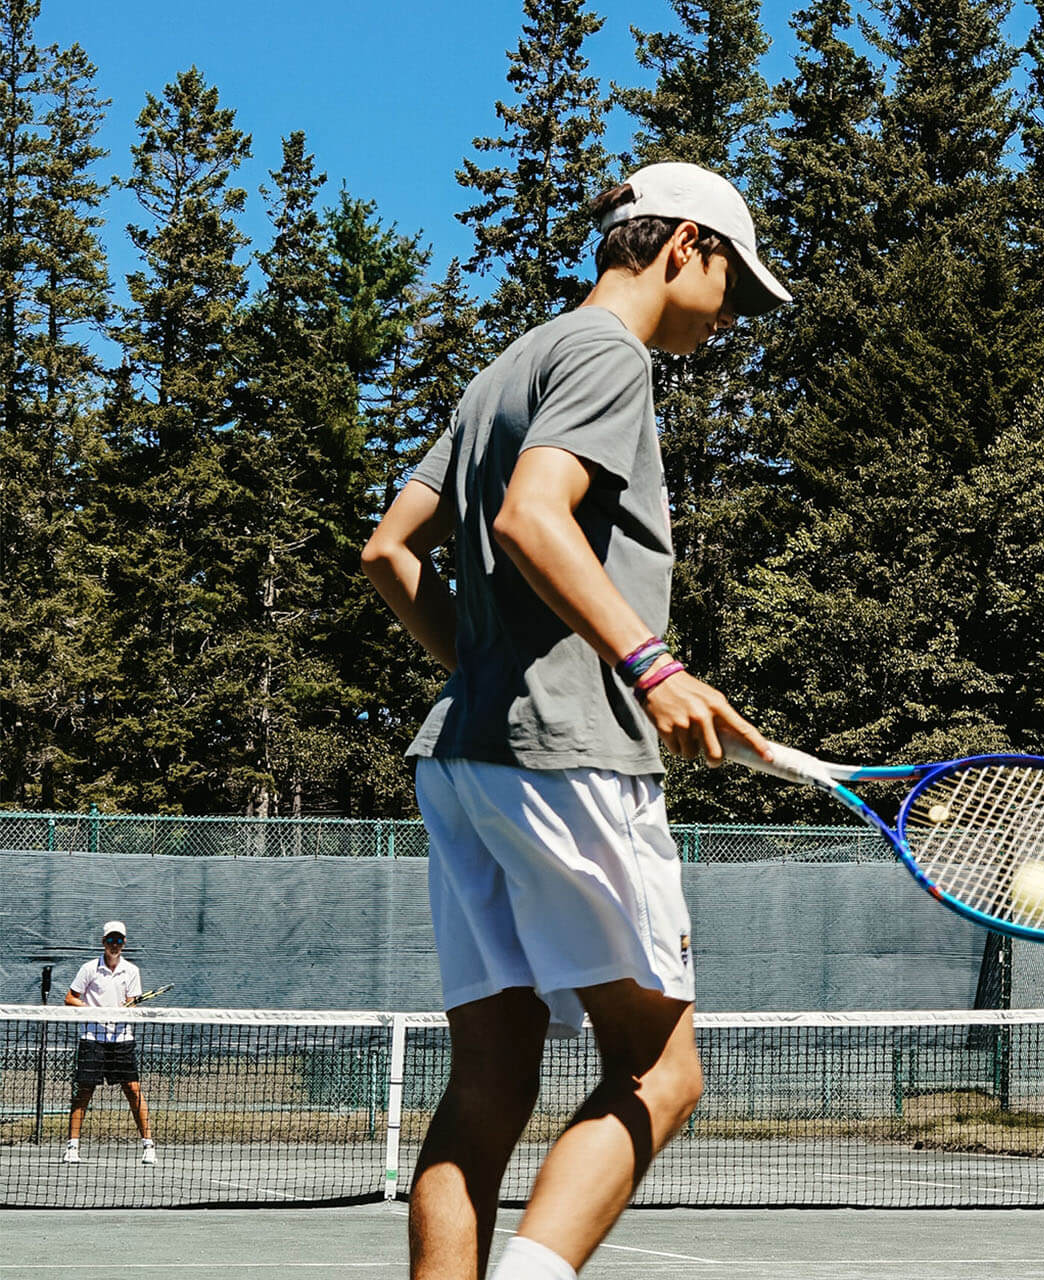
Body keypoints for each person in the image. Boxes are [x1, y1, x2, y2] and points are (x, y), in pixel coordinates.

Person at [361, 161, 788, 1280]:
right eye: (733, 287)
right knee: (662, 1073)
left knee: (493, 1074)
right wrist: (648, 665)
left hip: (463, 761)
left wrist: (492, 671)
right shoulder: (609, 354)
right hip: (567, 765)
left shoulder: (510, 365)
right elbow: (530, 517)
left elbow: (387, 553)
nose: (731, 315)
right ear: (684, 245)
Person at [63, 921, 157, 1166]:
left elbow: (131, 1003)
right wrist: (93, 1010)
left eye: (119, 941)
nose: (114, 945)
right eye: (110, 940)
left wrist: (125, 1010)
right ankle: (72, 1147)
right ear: (103, 942)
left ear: (123, 943)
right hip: (93, 1039)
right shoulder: (89, 969)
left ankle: (148, 1146)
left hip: (122, 1040)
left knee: (133, 1090)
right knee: (83, 1091)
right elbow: (70, 998)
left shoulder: (131, 971)